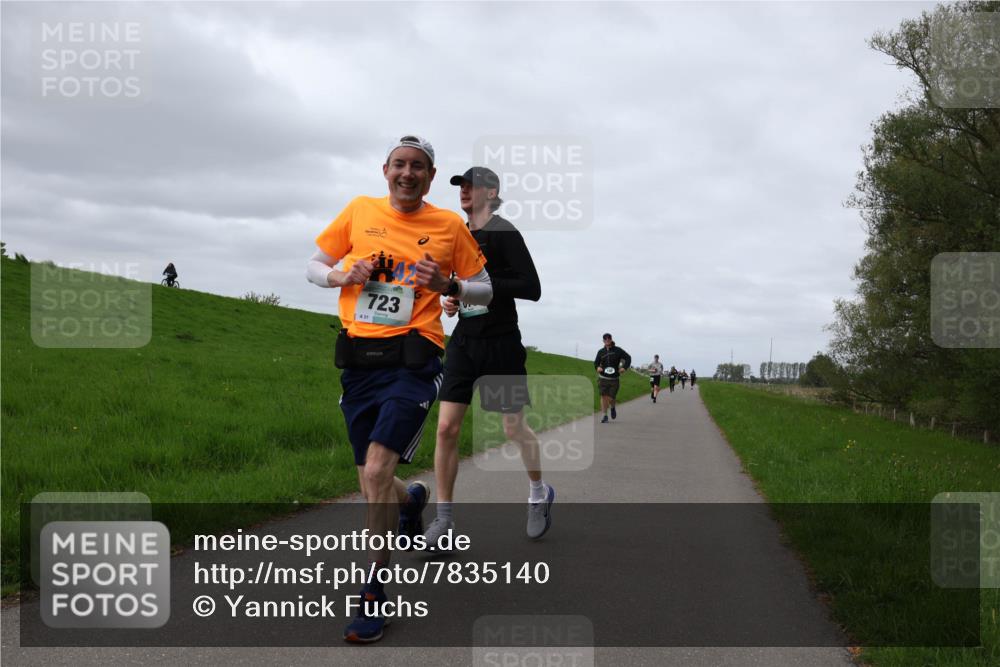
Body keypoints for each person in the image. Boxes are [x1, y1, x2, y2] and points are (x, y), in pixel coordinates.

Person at [306, 135, 490, 644]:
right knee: (371, 476)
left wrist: (449, 286)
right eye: (400, 165)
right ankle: (410, 500)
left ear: (431, 178)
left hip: (415, 360)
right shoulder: (358, 211)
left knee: (377, 466)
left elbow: (485, 290)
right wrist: (343, 273)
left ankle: (372, 594)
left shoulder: (449, 225)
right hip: (359, 361)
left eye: (419, 168)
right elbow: (313, 266)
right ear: (384, 170)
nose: (408, 174)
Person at [425, 165, 552, 549]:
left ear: (492, 192)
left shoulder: (503, 232)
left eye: (472, 186)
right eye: (460, 186)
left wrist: (476, 287)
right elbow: (455, 284)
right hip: (465, 342)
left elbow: (532, 287)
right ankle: (443, 521)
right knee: (446, 428)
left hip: (501, 345)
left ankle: (538, 494)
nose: (464, 191)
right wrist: (453, 297)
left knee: (513, 428)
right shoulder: (456, 233)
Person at [594, 334, 631, 423]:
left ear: (611, 339)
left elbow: (628, 358)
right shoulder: (601, 352)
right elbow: (596, 363)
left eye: (608, 338)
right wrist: (597, 368)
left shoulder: (618, 350)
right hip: (603, 378)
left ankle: (613, 407)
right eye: (605, 339)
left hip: (614, 379)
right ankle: (604, 415)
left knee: (611, 398)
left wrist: (624, 368)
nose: (607, 340)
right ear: (603, 341)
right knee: (603, 396)